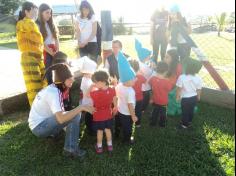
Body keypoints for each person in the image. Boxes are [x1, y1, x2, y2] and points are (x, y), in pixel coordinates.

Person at [28, 63, 94, 158]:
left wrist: (71, 131)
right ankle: (70, 150)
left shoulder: (52, 89)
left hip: (38, 124)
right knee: (76, 114)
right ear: (62, 80)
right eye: (70, 79)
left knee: (71, 114)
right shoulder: (55, 93)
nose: (73, 81)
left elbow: (61, 114)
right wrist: (81, 107)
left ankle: (55, 135)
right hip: (40, 128)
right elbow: (61, 119)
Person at [16, 1, 48, 106]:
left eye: (36, 12)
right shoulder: (22, 23)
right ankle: (36, 111)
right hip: (29, 59)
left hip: (38, 58)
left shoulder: (32, 23)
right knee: (34, 87)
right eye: (34, 12)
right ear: (26, 11)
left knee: (43, 83)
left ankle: (42, 108)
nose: (35, 15)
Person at [89, 70, 117, 154]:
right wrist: (115, 106)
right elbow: (114, 99)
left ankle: (99, 147)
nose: (94, 84)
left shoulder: (96, 93)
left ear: (102, 82)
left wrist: (91, 87)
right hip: (108, 114)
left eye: (95, 82)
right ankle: (110, 146)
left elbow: (88, 94)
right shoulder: (112, 90)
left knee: (100, 131)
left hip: (98, 116)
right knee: (108, 130)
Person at [115, 52, 138, 144]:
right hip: (127, 113)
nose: (135, 80)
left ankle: (116, 133)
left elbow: (116, 94)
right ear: (127, 80)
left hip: (120, 109)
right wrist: (133, 116)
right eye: (133, 78)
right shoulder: (130, 91)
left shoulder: (120, 85)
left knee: (120, 123)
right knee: (128, 127)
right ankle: (127, 140)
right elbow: (130, 105)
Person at [176, 59, 202, 129]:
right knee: (191, 110)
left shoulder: (182, 77)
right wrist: (198, 96)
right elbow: (199, 89)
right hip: (194, 98)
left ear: (187, 67)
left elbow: (179, 88)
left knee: (185, 111)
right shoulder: (199, 78)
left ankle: (184, 125)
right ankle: (189, 121)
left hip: (185, 98)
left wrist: (177, 96)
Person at [37, 3, 59, 84]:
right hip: (45, 51)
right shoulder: (37, 25)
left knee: (59, 70)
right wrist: (51, 52)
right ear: (41, 12)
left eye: (50, 13)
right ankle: (50, 89)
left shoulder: (51, 24)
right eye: (47, 12)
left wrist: (57, 51)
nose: (49, 15)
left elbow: (56, 38)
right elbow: (40, 42)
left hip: (54, 50)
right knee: (48, 73)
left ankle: (59, 89)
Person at [149, 61, 173, 127]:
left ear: (156, 69)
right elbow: (169, 89)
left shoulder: (153, 78)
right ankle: (162, 124)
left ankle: (152, 123)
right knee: (163, 113)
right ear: (165, 72)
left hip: (155, 99)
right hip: (163, 101)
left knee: (155, 111)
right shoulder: (167, 82)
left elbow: (150, 83)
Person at [135, 39, 155, 112]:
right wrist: (152, 68)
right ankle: (142, 109)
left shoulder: (139, 63)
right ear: (145, 57)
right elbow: (150, 73)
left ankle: (141, 107)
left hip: (140, 85)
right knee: (145, 98)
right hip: (145, 86)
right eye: (149, 56)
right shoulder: (145, 67)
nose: (150, 57)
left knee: (141, 96)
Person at [79, 56, 97, 135]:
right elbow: (87, 94)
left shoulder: (85, 79)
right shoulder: (87, 81)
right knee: (90, 115)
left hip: (87, 100)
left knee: (89, 115)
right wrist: (93, 88)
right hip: (88, 101)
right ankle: (90, 128)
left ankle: (89, 126)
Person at [164, 49, 183, 116]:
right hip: (170, 85)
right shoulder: (168, 64)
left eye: (167, 57)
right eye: (165, 57)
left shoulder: (178, 67)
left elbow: (176, 81)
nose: (164, 59)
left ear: (173, 58)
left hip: (175, 88)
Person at [129, 59, 146, 127]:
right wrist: (141, 73)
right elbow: (145, 81)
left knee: (130, 110)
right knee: (138, 111)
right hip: (139, 98)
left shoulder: (127, 78)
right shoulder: (140, 76)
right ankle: (138, 123)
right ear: (138, 68)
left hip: (130, 98)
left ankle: (130, 121)